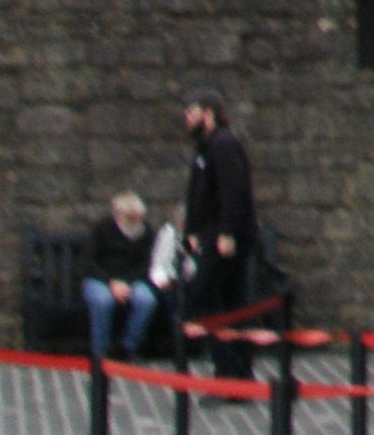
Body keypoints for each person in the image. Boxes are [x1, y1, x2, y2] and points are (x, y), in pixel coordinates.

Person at [179, 95, 258, 381]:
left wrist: (227, 233)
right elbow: (200, 194)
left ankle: (230, 368)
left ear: (208, 113)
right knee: (229, 301)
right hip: (210, 236)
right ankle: (235, 372)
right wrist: (191, 232)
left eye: (192, 111)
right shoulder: (206, 146)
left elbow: (232, 191)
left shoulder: (223, 144)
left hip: (223, 240)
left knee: (205, 297)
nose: (187, 117)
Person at [78, 191, 164, 359]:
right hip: (100, 279)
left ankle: (129, 346)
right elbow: (88, 262)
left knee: (146, 300)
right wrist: (111, 282)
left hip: (132, 280)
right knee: (103, 301)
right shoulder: (102, 229)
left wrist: (128, 283)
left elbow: (146, 264)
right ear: (118, 215)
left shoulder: (146, 232)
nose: (134, 223)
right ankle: (100, 350)